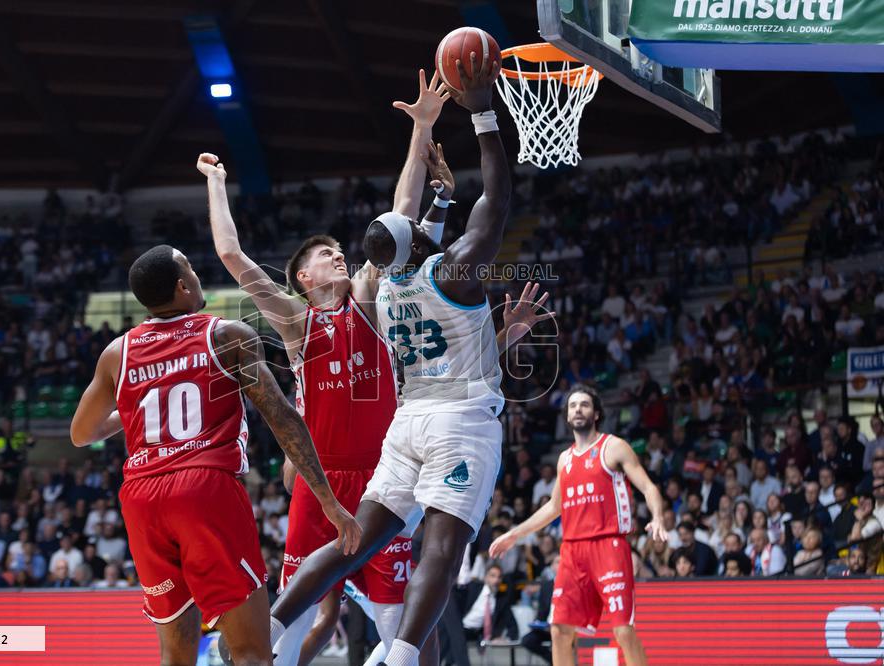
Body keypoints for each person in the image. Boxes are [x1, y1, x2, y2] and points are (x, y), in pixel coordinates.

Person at [266, 53, 536, 666]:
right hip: (460, 422)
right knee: (442, 547)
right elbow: (497, 195)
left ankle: (275, 618)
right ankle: (404, 656)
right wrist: (483, 113)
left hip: (406, 424)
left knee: (356, 538)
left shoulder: (384, 291)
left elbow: (410, 220)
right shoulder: (455, 272)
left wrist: (432, 169)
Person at [199, 69, 449, 665]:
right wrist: (216, 181)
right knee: (286, 622)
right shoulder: (295, 322)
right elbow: (232, 255)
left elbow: (402, 211)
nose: (339, 252)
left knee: (402, 631)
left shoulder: (368, 295)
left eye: (339, 249)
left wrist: (420, 132)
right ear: (304, 278)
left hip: (382, 481)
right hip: (318, 484)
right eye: (323, 253)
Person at [70, 245, 360, 666]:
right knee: (251, 653)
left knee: (176, 654)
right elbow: (283, 419)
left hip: (142, 498)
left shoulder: (118, 353)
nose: (198, 274)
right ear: (183, 287)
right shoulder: (228, 335)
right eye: (190, 267)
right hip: (204, 488)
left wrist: (132, 407)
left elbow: (83, 433)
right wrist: (329, 500)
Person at [489, 385, 667, 666]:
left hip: (608, 546)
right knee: (559, 630)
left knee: (623, 631)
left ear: (596, 413)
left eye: (584, 405)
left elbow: (649, 487)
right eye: (573, 406)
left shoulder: (613, 446)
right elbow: (553, 508)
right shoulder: (564, 459)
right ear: (567, 416)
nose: (578, 410)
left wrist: (657, 517)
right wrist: (515, 533)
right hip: (572, 551)